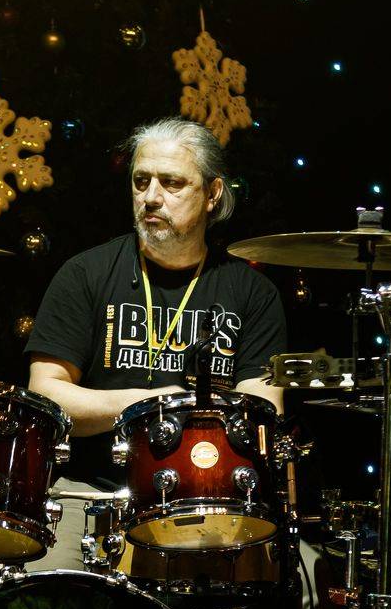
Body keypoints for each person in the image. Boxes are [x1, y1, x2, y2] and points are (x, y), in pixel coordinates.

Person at [23, 116, 287, 569]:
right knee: (45, 591)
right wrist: (149, 403)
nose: (150, 196)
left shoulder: (251, 293)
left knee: (296, 583)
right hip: (91, 493)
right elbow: (46, 395)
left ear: (213, 194)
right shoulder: (85, 274)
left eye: (172, 183)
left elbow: (264, 411)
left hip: (207, 500)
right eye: (141, 181)